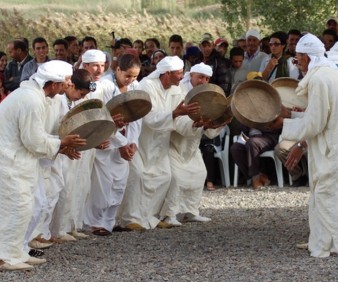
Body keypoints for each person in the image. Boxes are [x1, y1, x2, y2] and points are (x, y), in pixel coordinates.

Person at [0, 60, 86, 271]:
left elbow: (36, 136)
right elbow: (34, 140)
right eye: (66, 81)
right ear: (54, 83)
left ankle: (16, 251)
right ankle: (5, 257)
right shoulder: (31, 100)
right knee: (15, 208)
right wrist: (62, 143)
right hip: (10, 162)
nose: (68, 85)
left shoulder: (34, 97)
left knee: (25, 208)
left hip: (19, 161)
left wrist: (59, 145)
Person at [269, 33, 338, 257]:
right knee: (321, 193)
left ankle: (331, 244)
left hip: (330, 147)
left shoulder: (319, 79)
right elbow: (318, 116)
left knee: (326, 194)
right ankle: (321, 241)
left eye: (297, 59)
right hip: (328, 143)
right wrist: (294, 118)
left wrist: (288, 128)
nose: (296, 64)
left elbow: (316, 122)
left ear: (307, 58)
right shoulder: (330, 73)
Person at [118, 56, 200, 231]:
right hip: (142, 141)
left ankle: (149, 216)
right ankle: (130, 218)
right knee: (139, 176)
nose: (181, 77)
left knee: (164, 177)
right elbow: (148, 117)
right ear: (167, 73)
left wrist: (195, 123)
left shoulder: (176, 91)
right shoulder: (147, 86)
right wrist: (174, 114)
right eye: (178, 73)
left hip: (161, 143)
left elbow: (181, 120)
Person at [25, 69, 96, 251]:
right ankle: (33, 236)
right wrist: (60, 145)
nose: (80, 97)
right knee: (42, 196)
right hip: (43, 152)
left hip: (55, 150)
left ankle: (42, 233)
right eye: (80, 93)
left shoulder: (65, 100)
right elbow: (46, 129)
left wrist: (63, 147)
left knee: (54, 191)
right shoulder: (52, 99)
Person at [161, 63, 226, 225]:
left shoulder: (207, 94)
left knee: (199, 174)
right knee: (176, 178)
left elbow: (208, 126)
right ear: (192, 76)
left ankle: (190, 212)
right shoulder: (178, 92)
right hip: (174, 143)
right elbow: (177, 119)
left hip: (192, 144)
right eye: (200, 77)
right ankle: (169, 215)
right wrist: (194, 124)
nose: (203, 81)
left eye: (206, 78)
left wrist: (216, 123)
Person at [85, 53, 141, 236]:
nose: (130, 80)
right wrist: (121, 143)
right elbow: (102, 116)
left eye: (134, 76)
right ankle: (95, 223)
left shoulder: (135, 86)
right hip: (106, 142)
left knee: (119, 184)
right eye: (127, 75)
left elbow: (137, 119)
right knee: (102, 185)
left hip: (124, 143)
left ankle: (109, 222)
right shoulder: (103, 86)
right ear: (117, 69)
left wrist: (132, 143)